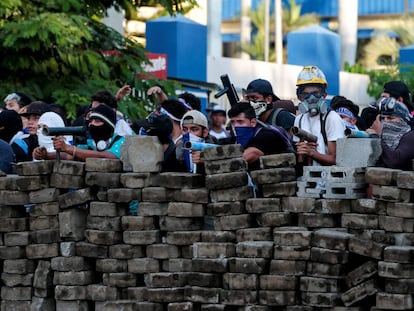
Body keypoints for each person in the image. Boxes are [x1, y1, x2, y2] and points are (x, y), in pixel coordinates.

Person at [293, 65, 345, 167]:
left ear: (324, 95)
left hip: (329, 180)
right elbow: (300, 158)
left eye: (316, 93)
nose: (311, 98)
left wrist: (312, 153)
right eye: (306, 94)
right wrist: (302, 151)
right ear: (299, 97)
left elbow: (337, 159)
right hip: (309, 178)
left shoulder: (331, 118)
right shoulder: (299, 120)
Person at [34, 105, 125, 161]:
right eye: (91, 121)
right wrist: (46, 155)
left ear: (109, 125)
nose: (92, 124)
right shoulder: (90, 145)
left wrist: (69, 148)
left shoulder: (121, 141)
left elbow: (107, 156)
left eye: (97, 121)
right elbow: (69, 156)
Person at [228, 102, 294, 171]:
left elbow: (246, 157)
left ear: (253, 122)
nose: (235, 126)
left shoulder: (266, 135)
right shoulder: (235, 139)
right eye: (232, 122)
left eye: (240, 122)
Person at [376, 97, 414, 170]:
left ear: (403, 119)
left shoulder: (410, 136)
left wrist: (378, 137)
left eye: (390, 118)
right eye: (382, 118)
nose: (385, 122)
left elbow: (395, 161)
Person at [179, 110, 217, 174]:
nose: (189, 134)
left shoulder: (217, 150)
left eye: (194, 129)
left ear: (205, 132)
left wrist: (207, 159)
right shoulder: (177, 151)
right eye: (185, 129)